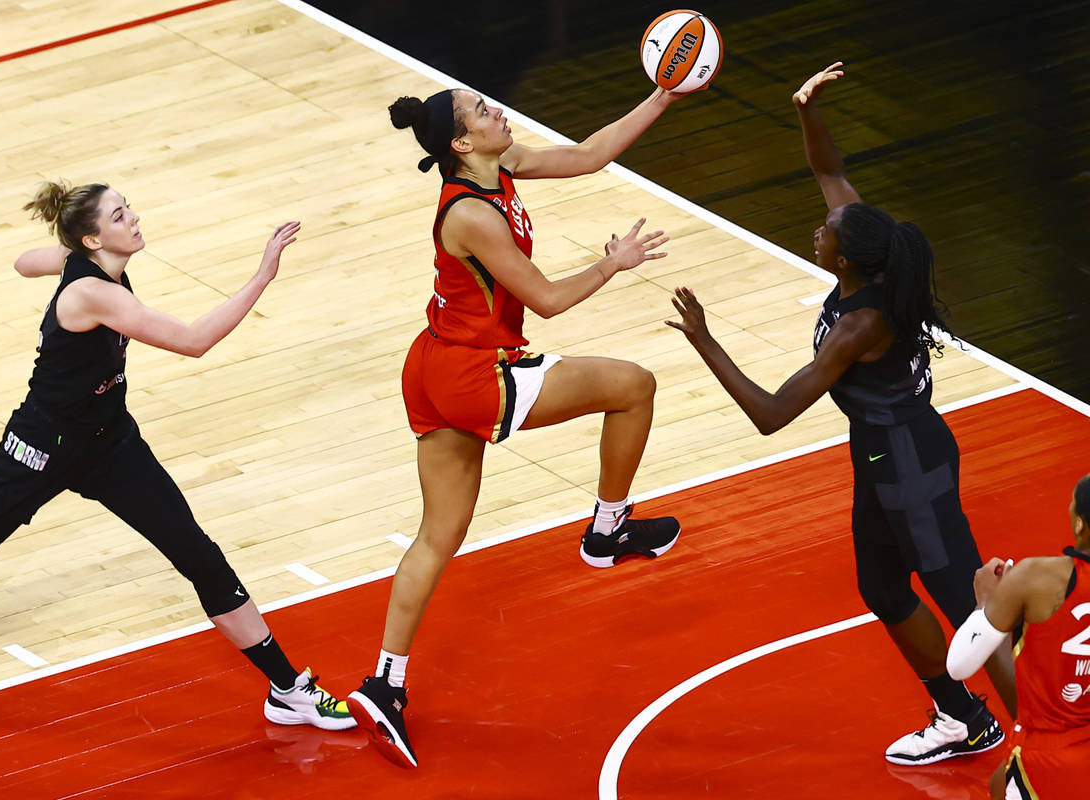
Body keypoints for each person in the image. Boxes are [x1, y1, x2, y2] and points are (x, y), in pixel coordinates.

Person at [0, 181, 354, 732]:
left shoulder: (85, 261)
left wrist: (61, 255)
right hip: (43, 447)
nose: (133, 217)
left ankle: (287, 690)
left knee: (198, 555)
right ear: (94, 237)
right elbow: (194, 340)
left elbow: (22, 262)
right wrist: (262, 275)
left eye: (127, 205)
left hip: (109, 442)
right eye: (119, 214)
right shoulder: (93, 293)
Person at [666, 62, 1016, 764]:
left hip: (910, 460)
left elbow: (771, 414)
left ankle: (1054, 737)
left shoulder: (860, 325)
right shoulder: (869, 254)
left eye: (825, 231)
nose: (817, 227)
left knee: (974, 608)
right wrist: (805, 112)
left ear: (846, 259)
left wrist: (705, 340)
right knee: (883, 588)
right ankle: (962, 719)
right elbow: (830, 172)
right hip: (884, 453)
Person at [346, 85, 687, 768]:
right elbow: (550, 300)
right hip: (476, 373)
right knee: (635, 387)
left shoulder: (499, 169)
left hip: (434, 366)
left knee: (437, 537)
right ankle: (607, 528)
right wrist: (613, 263)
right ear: (461, 143)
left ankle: (385, 682)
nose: (496, 110)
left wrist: (663, 94)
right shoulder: (473, 215)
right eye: (481, 111)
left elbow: (590, 156)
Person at [947, 474, 1090, 799]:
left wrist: (986, 603)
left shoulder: (1036, 578)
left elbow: (958, 666)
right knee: (999, 782)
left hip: (1048, 757)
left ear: (1080, 524)